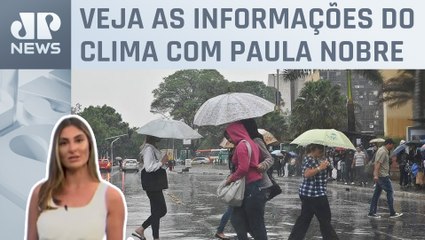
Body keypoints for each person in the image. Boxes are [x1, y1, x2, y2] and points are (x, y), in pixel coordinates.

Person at [25, 115, 126, 240]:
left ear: (89, 145)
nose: (72, 148)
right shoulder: (41, 192)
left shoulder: (111, 197)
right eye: (64, 143)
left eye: (78, 140)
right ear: (56, 149)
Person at [224, 121, 268, 240]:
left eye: (229, 136)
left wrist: (230, 179)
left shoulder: (242, 145)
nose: (230, 140)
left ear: (235, 133)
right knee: (241, 220)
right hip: (252, 187)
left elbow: (243, 168)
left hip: (250, 187)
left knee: (253, 224)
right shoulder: (250, 143)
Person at [288, 144, 339, 240]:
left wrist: (327, 165)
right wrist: (320, 168)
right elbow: (306, 174)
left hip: (312, 193)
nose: (321, 153)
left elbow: (329, 171)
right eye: (320, 151)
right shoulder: (309, 159)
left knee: (304, 219)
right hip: (314, 194)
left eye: (322, 151)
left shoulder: (319, 159)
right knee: (325, 220)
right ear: (313, 149)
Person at [133, 135, 169, 240]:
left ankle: (154, 236)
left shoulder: (152, 148)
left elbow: (153, 164)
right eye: (158, 136)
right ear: (153, 137)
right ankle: (143, 229)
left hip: (154, 184)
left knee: (156, 211)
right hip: (152, 184)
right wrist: (161, 162)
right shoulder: (148, 149)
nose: (160, 138)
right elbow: (148, 168)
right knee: (161, 210)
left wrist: (162, 161)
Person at [368, 138, 403, 219]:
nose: (392, 147)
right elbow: (377, 164)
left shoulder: (382, 150)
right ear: (389, 144)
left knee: (376, 195)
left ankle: (372, 212)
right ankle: (392, 213)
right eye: (392, 145)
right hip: (383, 176)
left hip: (381, 176)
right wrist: (375, 175)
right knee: (390, 192)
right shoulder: (383, 152)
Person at [241, 118, 275, 200]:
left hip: (260, 184)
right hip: (245, 184)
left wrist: (262, 165)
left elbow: (269, 158)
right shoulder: (242, 142)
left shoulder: (256, 141)